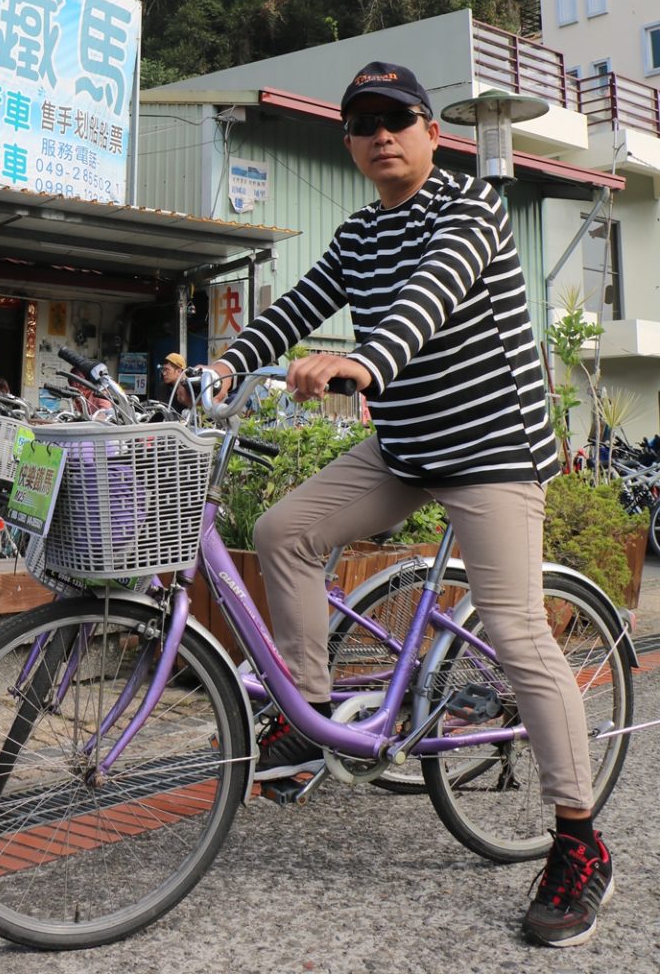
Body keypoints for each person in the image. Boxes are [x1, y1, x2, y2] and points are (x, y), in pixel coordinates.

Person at [209, 60, 613, 950]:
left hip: (492, 449)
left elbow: (429, 299)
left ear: (434, 131)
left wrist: (364, 364)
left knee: (513, 627)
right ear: (350, 143)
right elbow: (301, 304)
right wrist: (226, 363)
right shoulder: (360, 234)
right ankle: (309, 719)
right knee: (284, 531)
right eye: (363, 123)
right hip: (408, 444)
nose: (381, 134)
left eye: (399, 118)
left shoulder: (470, 209)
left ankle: (579, 840)